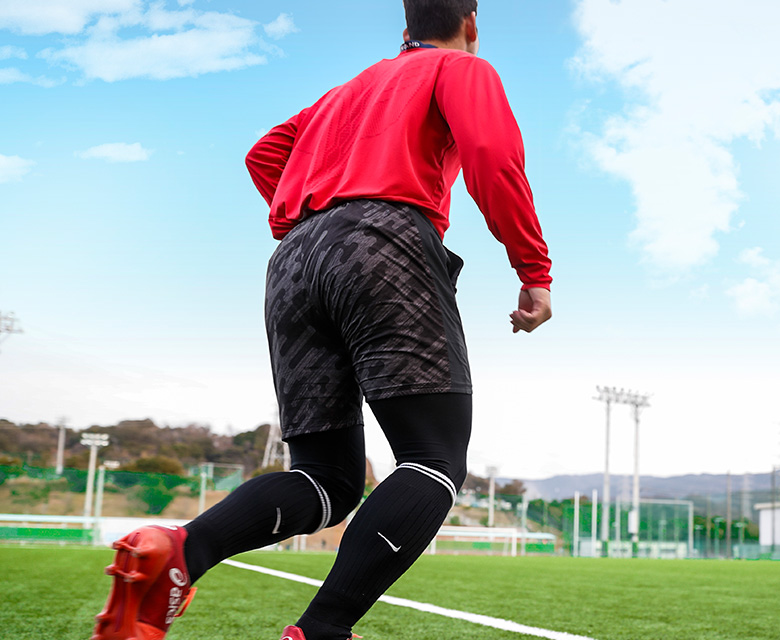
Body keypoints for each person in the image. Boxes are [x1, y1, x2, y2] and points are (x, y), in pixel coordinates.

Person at [91, 1, 552, 638]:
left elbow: (263, 155)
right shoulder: (460, 67)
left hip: (292, 260)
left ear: (404, 29)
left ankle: (183, 552)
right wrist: (533, 270)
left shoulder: (341, 96)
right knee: (432, 459)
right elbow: (492, 156)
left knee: (326, 480)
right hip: (382, 242)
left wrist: (309, 217)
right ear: (471, 22)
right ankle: (324, 630)